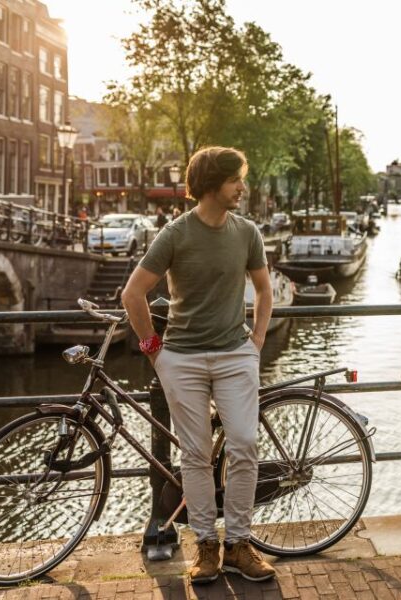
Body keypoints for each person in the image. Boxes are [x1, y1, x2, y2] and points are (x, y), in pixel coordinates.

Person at [121, 147, 276, 585]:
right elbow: (133, 294)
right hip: (182, 360)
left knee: (244, 443)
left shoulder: (247, 232)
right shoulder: (175, 234)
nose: (242, 187)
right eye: (235, 180)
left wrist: (257, 341)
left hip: (235, 355)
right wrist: (155, 352)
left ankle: (239, 544)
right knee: (195, 455)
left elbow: (264, 290)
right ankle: (207, 546)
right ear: (211, 184)